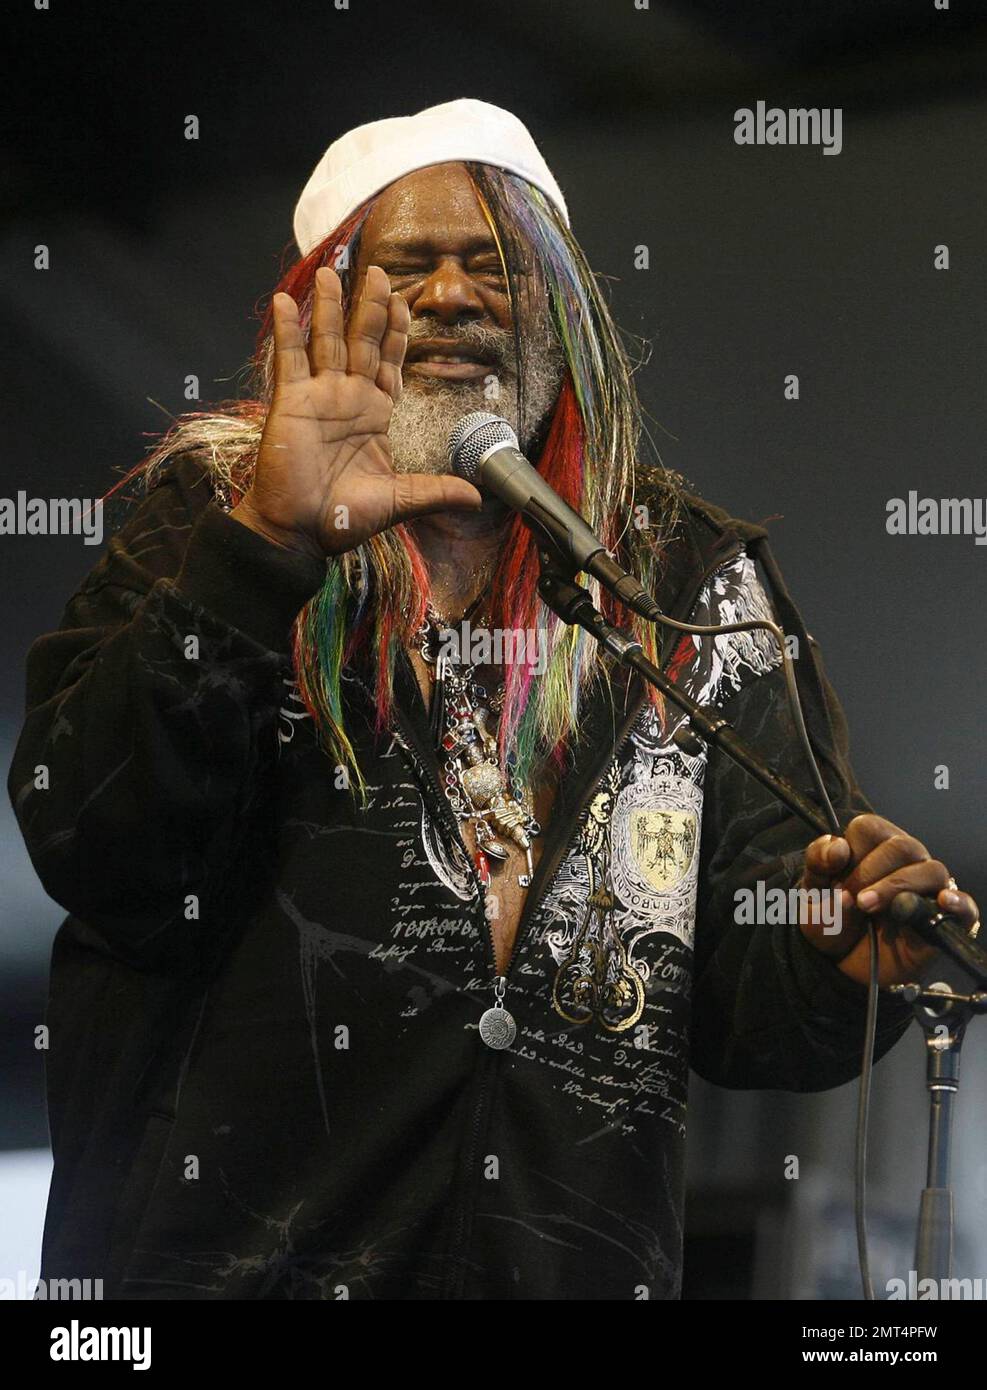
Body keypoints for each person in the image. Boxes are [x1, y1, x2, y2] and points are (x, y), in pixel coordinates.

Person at [9, 99, 979, 1300]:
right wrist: (267, 545)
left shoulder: (689, 591)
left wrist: (833, 954)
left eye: (500, 266)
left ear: (566, 311)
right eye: (406, 268)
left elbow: (745, 1008)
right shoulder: (210, 519)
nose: (456, 295)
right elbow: (96, 843)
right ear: (321, 306)